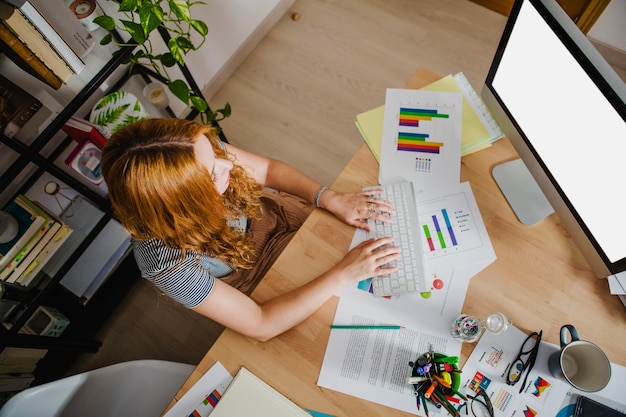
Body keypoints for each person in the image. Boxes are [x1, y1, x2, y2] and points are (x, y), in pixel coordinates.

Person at [101, 118, 398, 341]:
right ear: (184, 205)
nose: (226, 165)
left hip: (290, 222)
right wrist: (344, 273)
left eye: (216, 154)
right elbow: (261, 324)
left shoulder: (192, 151)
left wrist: (327, 197)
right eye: (213, 173)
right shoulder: (165, 263)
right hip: (275, 289)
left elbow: (267, 170)